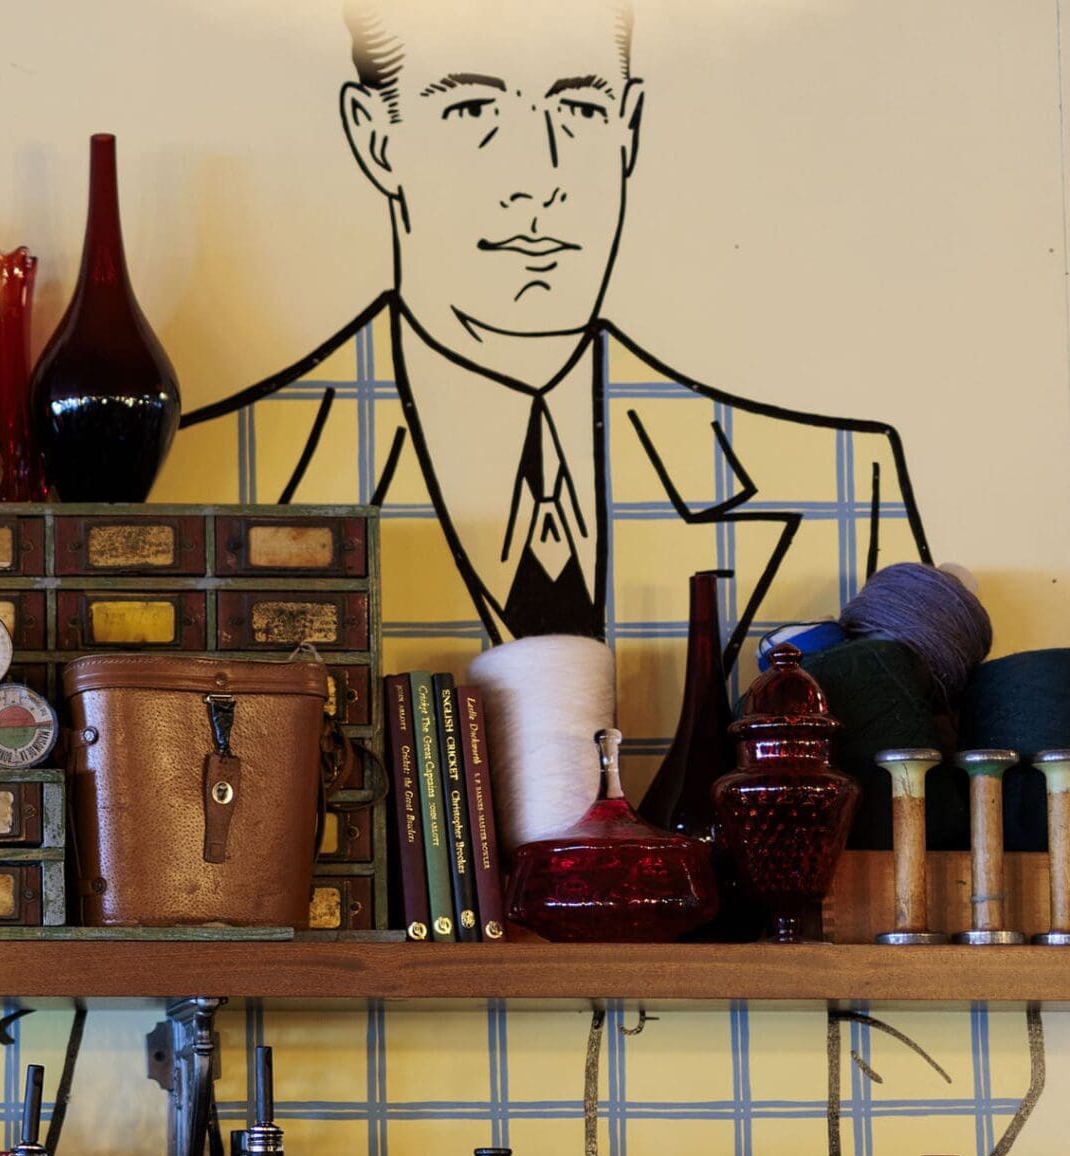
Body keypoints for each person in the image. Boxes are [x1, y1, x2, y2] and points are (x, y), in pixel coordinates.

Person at [183, 0, 930, 705]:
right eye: (472, 110)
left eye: (579, 109)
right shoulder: (217, 484)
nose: (537, 178)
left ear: (628, 129)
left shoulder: (842, 482)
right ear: (377, 137)